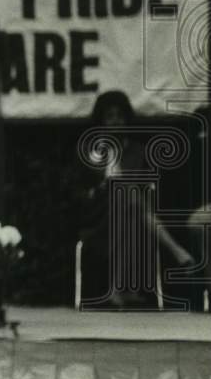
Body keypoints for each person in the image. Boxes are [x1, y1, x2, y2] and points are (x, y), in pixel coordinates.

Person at [76, 90, 194, 309]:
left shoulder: (139, 151)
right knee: (127, 196)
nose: (115, 122)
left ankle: (118, 290)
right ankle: (176, 251)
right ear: (101, 121)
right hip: (98, 219)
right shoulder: (91, 150)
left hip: (133, 215)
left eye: (120, 116)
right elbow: (83, 191)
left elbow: (148, 189)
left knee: (129, 207)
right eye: (110, 117)